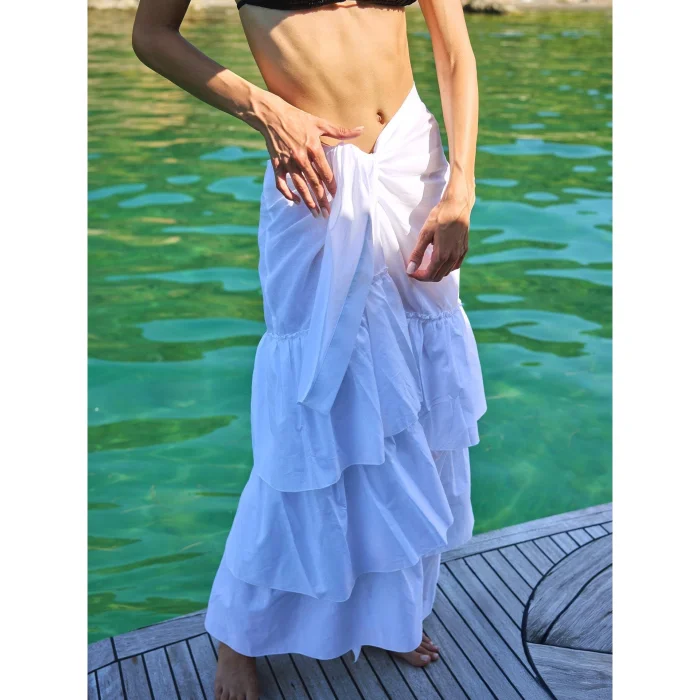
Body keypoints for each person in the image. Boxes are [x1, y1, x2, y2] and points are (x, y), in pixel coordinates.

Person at [132, 1, 487, 698]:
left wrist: (462, 187)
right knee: (312, 410)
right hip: (312, 169)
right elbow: (151, 34)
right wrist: (264, 110)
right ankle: (238, 635)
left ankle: (391, 609)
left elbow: (453, 53)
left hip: (413, 161)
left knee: (416, 399)